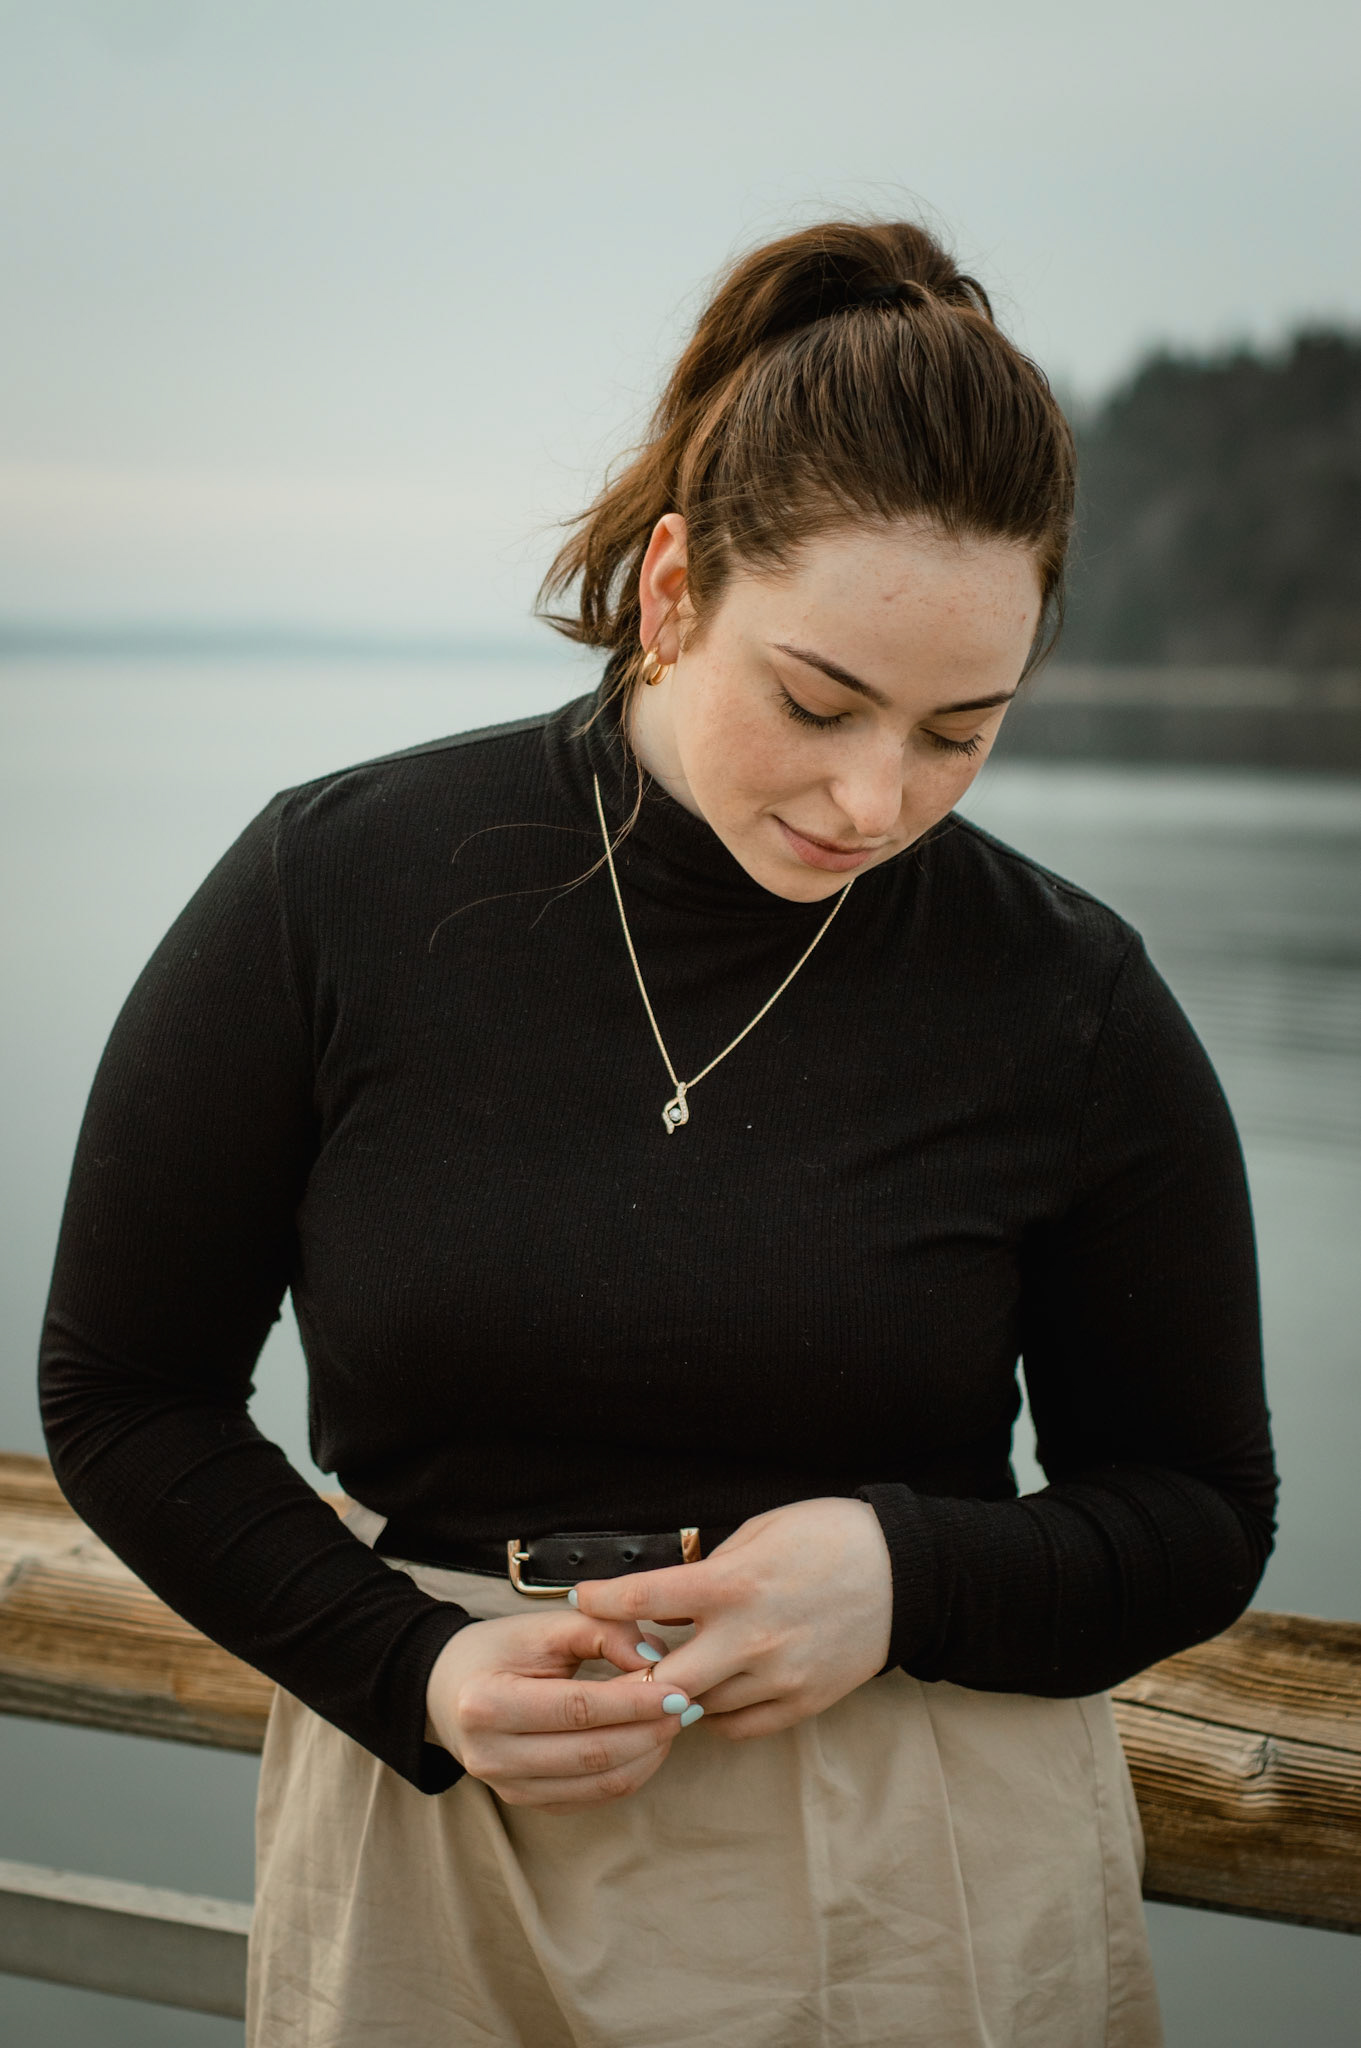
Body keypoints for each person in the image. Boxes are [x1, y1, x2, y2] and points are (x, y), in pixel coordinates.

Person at [39, 219, 1277, 2048]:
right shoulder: (340, 884)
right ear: (676, 588)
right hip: (434, 1827)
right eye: (818, 702)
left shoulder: (1065, 993)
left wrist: (903, 1574)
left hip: (916, 1846)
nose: (875, 799)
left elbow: (1197, 1511)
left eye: (961, 732)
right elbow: (123, 1392)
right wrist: (415, 1668)